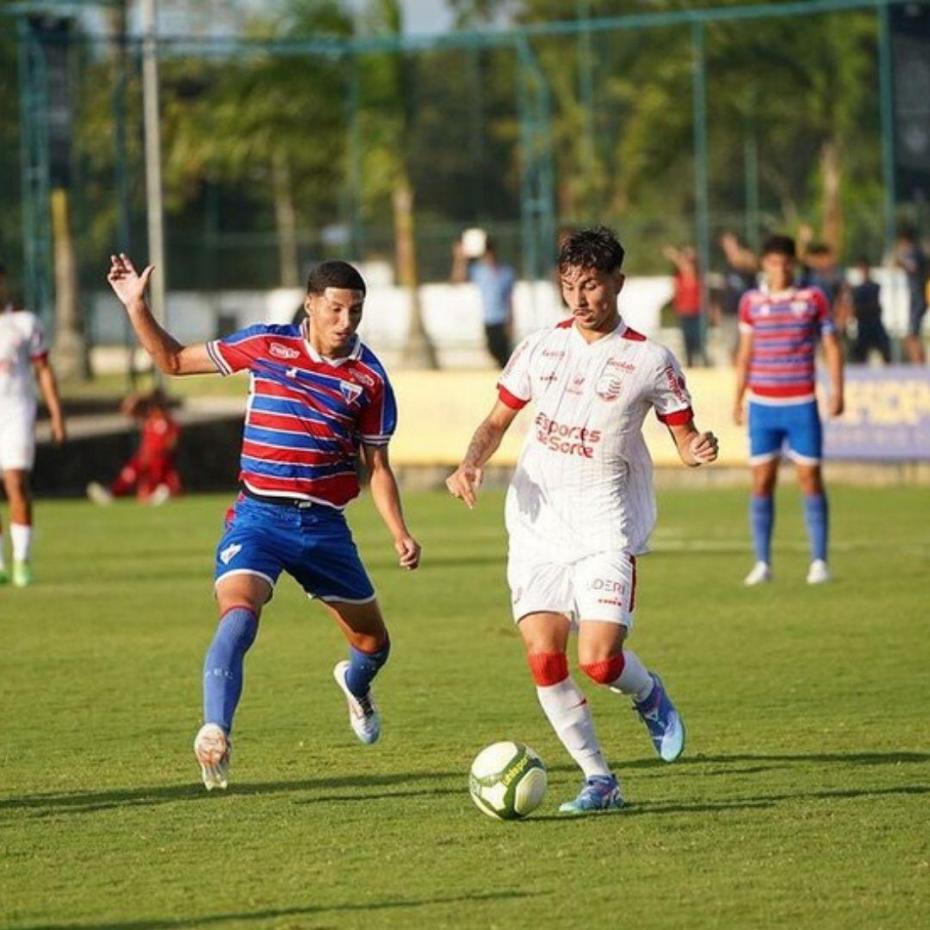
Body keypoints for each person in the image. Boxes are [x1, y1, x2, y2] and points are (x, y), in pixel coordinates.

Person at [106, 253, 421, 791]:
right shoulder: (266, 345)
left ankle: (356, 686)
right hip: (257, 517)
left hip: (324, 528)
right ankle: (214, 731)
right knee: (238, 615)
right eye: (337, 310)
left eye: (356, 312)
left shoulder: (369, 378)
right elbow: (176, 362)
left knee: (373, 645)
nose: (346, 323)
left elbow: (379, 467)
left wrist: (399, 531)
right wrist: (137, 307)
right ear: (311, 305)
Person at [446, 227, 719, 815]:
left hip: (604, 525)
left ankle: (647, 694)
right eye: (569, 285)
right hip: (537, 524)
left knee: (599, 661)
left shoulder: (649, 360)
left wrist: (696, 448)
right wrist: (470, 464)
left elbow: (683, 434)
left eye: (591, 285)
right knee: (544, 657)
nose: (579, 297)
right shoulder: (541, 346)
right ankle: (600, 779)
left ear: (618, 283)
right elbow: (495, 422)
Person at [734, 235, 844, 587]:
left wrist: (836, 390)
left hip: (801, 404)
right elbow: (745, 353)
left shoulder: (812, 299)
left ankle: (819, 561)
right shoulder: (751, 302)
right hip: (763, 406)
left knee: (810, 479)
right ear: (764, 264)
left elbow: (831, 345)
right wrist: (737, 398)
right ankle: (762, 562)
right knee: (762, 481)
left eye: (785, 262)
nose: (779, 269)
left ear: (792, 265)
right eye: (773, 262)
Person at [0, 263, 66, 587]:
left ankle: (21, 560)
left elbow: (43, 371)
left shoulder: (24, 323)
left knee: (15, 481)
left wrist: (56, 415)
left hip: (16, 413)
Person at [87, 389, 182, 505]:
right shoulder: (149, 419)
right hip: (144, 458)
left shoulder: (168, 422)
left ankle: (163, 492)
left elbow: (172, 442)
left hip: (159, 459)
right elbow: (128, 409)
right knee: (130, 473)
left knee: (153, 487)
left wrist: (162, 452)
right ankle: (111, 493)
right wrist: (138, 397)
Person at [451, 232, 516, 369]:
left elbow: (510, 299)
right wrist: (460, 258)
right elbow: (458, 280)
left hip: (502, 319)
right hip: (489, 319)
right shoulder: (479, 271)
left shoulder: (506, 272)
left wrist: (511, 321)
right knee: (492, 349)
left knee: (505, 354)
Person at [662, 245, 709, 367]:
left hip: (696, 312)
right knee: (687, 341)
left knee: (698, 340)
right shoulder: (679, 277)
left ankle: (702, 362)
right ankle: (691, 364)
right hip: (684, 312)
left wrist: (675, 254)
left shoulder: (696, 275)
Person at [718, 232, 758, 363]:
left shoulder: (746, 261)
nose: (729, 247)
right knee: (731, 347)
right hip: (729, 313)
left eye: (731, 243)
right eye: (726, 244)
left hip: (745, 312)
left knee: (746, 347)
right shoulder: (726, 266)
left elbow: (753, 265)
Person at [895, 227, 928, 364]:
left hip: (918, 296)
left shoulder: (912, 251)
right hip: (920, 295)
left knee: (912, 333)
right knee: (913, 332)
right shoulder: (920, 251)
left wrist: (900, 261)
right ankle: (919, 361)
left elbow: (912, 267)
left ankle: (918, 363)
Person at [849, 259, 891, 364]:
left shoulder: (874, 286)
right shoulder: (856, 289)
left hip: (874, 323)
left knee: (884, 349)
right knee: (860, 354)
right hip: (863, 324)